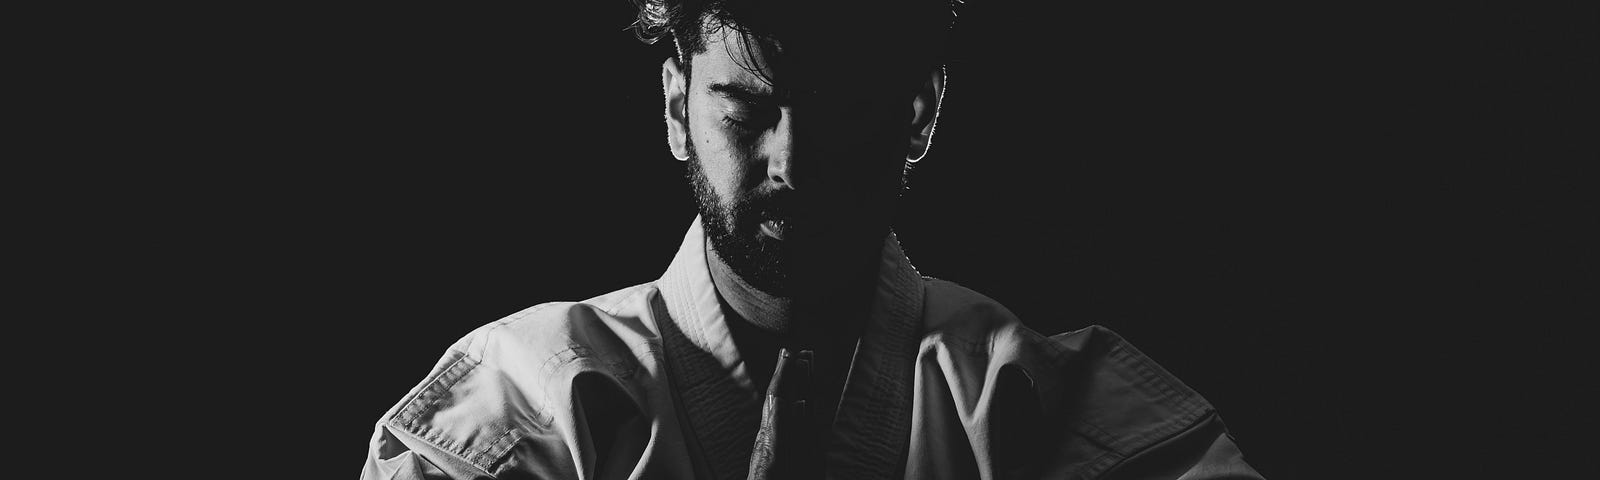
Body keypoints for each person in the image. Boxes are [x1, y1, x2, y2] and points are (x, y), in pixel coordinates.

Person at [361, 1, 1263, 478]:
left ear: (920, 112)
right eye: (747, 110)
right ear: (678, 106)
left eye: (845, 108)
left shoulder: (1059, 413)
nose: (792, 157)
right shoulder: (520, 409)